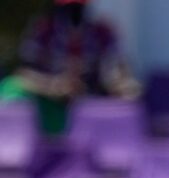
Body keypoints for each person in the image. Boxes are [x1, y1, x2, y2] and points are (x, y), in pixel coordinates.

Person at [15, 0, 138, 135]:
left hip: (93, 104)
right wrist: (53, 86)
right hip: (50, 105)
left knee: (127, 101)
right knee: (11, 91)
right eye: (69, 6)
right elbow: (23, 74)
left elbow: (118, 72)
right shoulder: (44, 30)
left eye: (79, 5)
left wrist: (122, 87)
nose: (74, 10)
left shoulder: (102, 32)